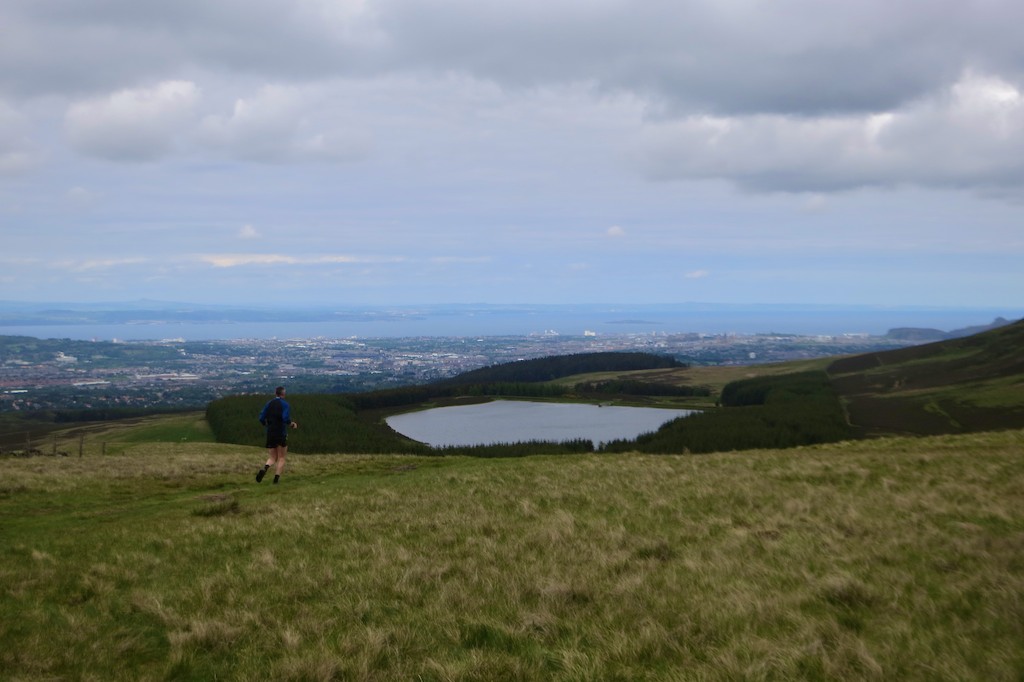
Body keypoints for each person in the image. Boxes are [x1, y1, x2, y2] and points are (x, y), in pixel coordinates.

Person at [256, 386, 297, 484]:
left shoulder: (269, 403)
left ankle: (265, 468)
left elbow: (261, 417)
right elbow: (285, 417)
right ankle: (276, 480)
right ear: (283, 394)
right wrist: (291, 424)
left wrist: (266, 425)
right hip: (281, 432)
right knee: (281, 457)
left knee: (272, 457)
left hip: (270, 432)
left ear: (275, 393)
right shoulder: (285, 404)